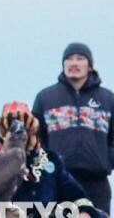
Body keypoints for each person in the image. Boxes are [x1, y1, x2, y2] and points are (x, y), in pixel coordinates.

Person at [0, 102, 107, 218]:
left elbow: (77, 196)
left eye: (24, 128)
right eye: (12, 130)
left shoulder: (51, 161)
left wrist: (85, 212)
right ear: (2, 134)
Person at [33, 43, 114, 214]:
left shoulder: (108, 99)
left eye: (80, 58)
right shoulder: (45, 98)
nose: (74, 63)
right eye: (69, 59)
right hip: (57, 181)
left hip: (96, 183)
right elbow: (35, 139)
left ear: (90, 65)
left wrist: (107, 160)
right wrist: (46, 165)